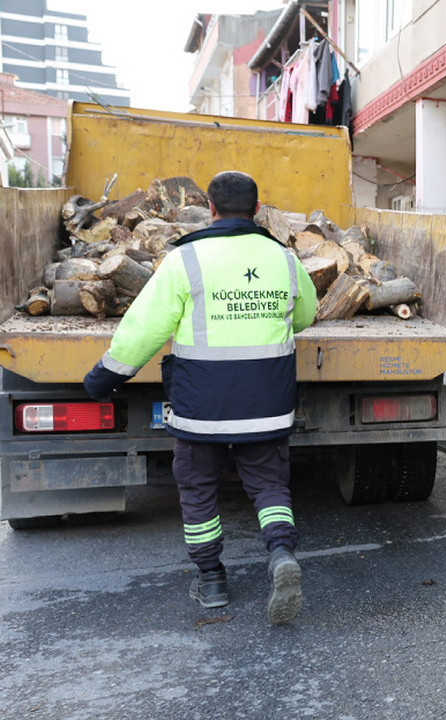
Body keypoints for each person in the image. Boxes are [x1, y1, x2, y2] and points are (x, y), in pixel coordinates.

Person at [84, 171, 318, 624]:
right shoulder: (284, 258)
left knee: (197, 490)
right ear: (257, 207)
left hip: (200, 410)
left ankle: (211, 580)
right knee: (270, 485)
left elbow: (145, 329)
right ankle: (282, 555)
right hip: (266, 404)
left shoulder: (185, 261)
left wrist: (103, 379)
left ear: (210, 207)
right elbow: (304, 315)